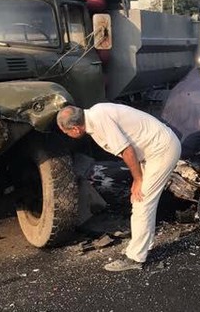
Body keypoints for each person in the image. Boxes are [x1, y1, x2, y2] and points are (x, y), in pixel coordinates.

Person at [56, 103, 181, 272]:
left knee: (142, 201)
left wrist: (137, 180)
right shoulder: (95, 113)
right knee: (139, 200)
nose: (67, 135)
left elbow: (127, 151)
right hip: (153, 149)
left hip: (161, 150)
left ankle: (136, 258)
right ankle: (144, 244)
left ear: (76, 129)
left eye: (66, 132)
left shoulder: (99, 122)